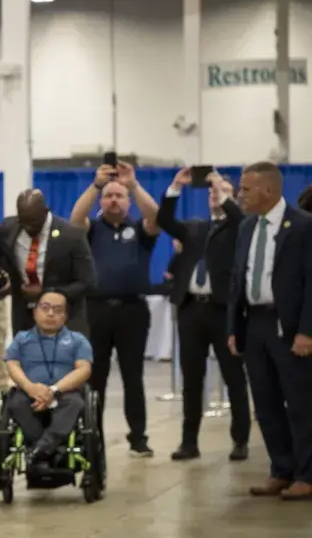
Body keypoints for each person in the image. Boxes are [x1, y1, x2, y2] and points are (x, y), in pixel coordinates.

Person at [228, 161, 312, 500]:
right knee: (265, 402)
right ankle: (281, 469)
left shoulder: (303, 226)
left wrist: (307, 330)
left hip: (289, 326)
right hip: (256, 324)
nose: (240, 195)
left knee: (301, 402)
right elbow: (240, 278)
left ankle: (307, 473)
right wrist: (235, 326)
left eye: (246, 189)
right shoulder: (247, 227)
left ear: (269, 189)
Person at [69, 161, 161, 457]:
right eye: (108, 196)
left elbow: (156, 216)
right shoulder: (92, 230)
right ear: (101, 200)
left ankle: (138, 437)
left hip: (132, 311)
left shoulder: (141, 230)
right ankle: (91, 436)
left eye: (120, 196)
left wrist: (133, 183)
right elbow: (75, 218)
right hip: (95, 310)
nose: (114, 200)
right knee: (95, 378)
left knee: (134, 376)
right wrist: (96, 184)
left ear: (129, 201)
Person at [158, 168, 249, 462]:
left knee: (233, 377)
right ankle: (189, 441)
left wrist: (224, 197)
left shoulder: (240, 227)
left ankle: (240, 440)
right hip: (192, 310)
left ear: (232, 197)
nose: (214, 195)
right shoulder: (195, 228)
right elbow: (165, 221)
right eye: (211, 192)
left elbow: (240, 220)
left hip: (223, 311)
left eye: (220, 190)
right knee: (192, 379)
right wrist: (175, 188)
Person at [3, 292, 95, 470]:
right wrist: (30, 388)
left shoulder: (78, 340)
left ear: (65, 316)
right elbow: (12, 365)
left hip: (64, 393)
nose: (51, 314)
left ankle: (41, 449)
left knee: (74, 403)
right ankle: (45, 447)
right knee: (16, 403)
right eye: (45, 308)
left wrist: (53, 390)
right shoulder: (22, 339)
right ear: (35, 312)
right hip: (30, 393)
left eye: (57, 310)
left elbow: (84, 369)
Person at [0, 188, 97, 336]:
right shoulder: (8, 229)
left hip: (64, 321)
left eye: (33, 222)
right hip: (25, 322)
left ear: (46, 211)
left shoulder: (71, 235)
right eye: (23, 221)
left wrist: (48, 292)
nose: (28, 227)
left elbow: (88, 282)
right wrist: (0, 283)